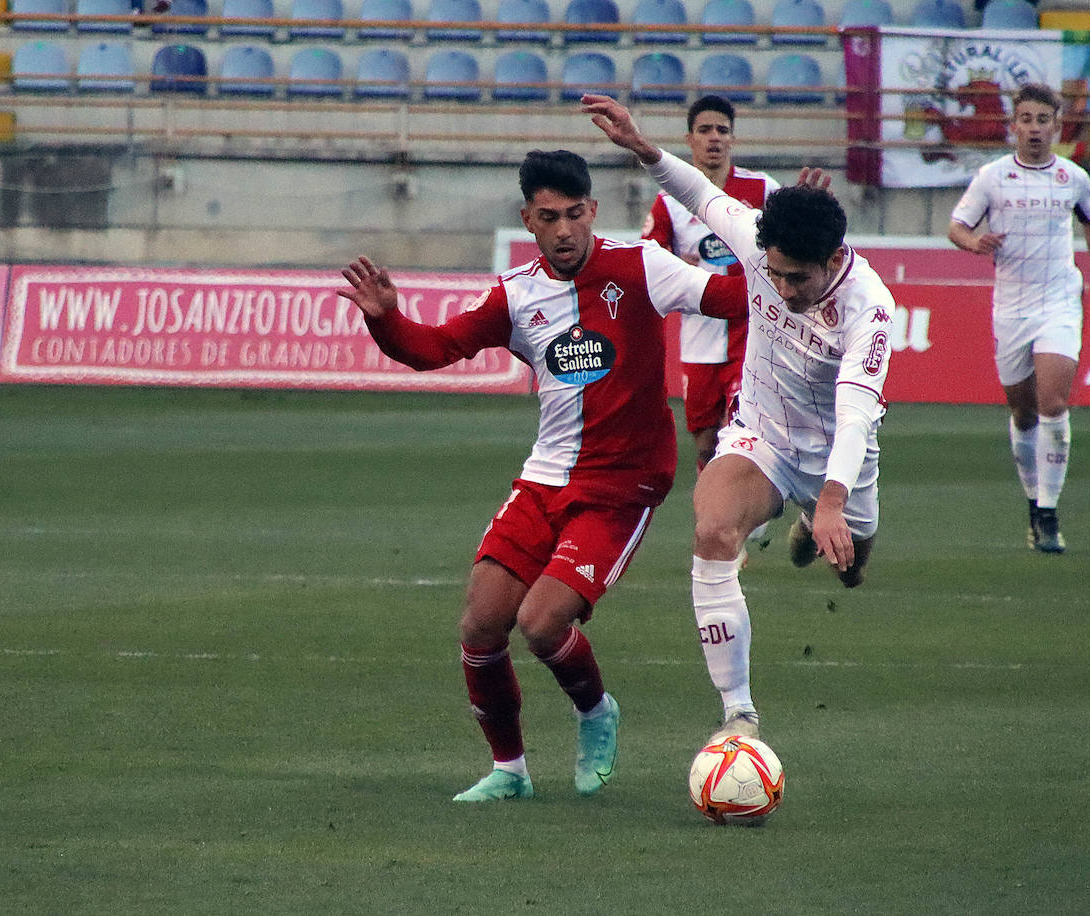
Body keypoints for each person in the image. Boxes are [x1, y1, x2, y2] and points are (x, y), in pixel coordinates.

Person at [337, 150, 746, 802]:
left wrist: (781, 262)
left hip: (623, 484)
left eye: (574, 215)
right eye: (548, 217)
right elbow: (432, 349)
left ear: (593, 211)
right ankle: (510, 771)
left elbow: (731, 297)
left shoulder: (642, 266)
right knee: (479, 626)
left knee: (542, 622)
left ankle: (594, 712)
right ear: (528, 218)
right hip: (547, 478)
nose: (563, 230)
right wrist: (385, 317)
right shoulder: (515, 294)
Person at [583, 95, 897, 744]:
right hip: (760, 434)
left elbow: (857, 412)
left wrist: (833, 499)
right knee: (714, 531)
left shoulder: (870, 310)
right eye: (774, 274)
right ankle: (739, 715)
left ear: (834, 260)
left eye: (797, 279)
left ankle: (814, 522)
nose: (781, 289)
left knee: (852, 568)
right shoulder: (758, 244)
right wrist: (642, 146)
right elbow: (698, 192)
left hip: (838, 455)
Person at [947, 82, 1090, 554]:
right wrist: (973, 243)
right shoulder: (992, 178)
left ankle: (1048, 511)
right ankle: (1031, 500)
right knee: (1022, 411)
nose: (1034, 128)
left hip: (1059, 302)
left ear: (1057, 126)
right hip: (1011, 307)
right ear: (1013, 126)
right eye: (1026, 120)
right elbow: (956, 226)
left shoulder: (1073, 178)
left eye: (1043, 120)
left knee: (1053, 402)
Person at [642, 95, 781, 474]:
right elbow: (647, 262)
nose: (714, 138)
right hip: (699, 334)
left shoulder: (762, 190)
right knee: (704, 438)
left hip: (750, 329)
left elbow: (789, 241)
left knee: (741, 426)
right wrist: (673, 264)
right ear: (690, 139)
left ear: (732, 139)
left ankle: (749, 510)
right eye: (705, 130)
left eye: (722, 130)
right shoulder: (669, 202)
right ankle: (713, 507)